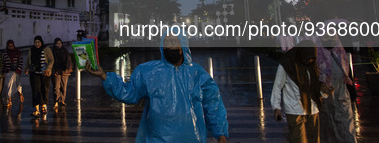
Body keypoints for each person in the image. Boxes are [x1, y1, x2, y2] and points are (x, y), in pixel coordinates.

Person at [85, 32, 229, 143]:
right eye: (166, 43)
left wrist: (220, 134)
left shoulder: (197, 74)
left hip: (191, 138)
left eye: (173, 43)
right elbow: (129, 94)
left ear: (182, 47)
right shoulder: (149, 72)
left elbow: (213, 105)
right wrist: (104, 75)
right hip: (158, 138)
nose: (168, 47)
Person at [271, 40, 327, 143]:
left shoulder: (312, 65)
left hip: (312, 109)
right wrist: (276, 107)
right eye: (308, 58)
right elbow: (277, 87)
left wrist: (324, 92)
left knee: (314, 139)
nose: (310, 60)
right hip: (294, 110)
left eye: (312, 59)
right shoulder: (286, 65)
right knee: (298, 139)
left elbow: (314, 87)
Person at [316, 34, 357, 142]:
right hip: (327, 102)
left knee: (344, 129)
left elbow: (347, 76)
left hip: (340, 100)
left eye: (332, 36)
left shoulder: (339, 55)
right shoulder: (320, 56)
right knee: (328, 130)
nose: (329, 39)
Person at [25, 35, 54, 117]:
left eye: (38, 42)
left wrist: (48, 68)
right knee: (35, 90)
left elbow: (51, 60)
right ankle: (37, 109)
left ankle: (44, 106)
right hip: (34, 73)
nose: (37, 44)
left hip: (45, 73)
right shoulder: (31, 50)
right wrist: (26, 68)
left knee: (45, 89)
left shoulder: (46, 49)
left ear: (41, 42)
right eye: (35, 42)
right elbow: (28, 60)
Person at [51, 38, 73, 111]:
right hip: (56, 71)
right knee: (56, 87)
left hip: (64, 71)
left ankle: (62, 100)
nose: (59, 45)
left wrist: (67, 68)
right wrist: (53, 71)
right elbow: (51, 62)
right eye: (57, 43)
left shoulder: (65, 51)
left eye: (60, 43)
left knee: (63, 86)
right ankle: (56, 101)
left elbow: (68, 60)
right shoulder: (52, 51)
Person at [1, 39, 24, 108]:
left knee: (17, 84)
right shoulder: (5, 54)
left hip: (16, 71)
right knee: (9, 86)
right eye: (9, 46)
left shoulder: (17, 53)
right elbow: (3, 63)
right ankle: (9, 100)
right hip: (8, 71)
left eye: (11, 46)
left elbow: (20, 61)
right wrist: (3, 71)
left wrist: (18, 69)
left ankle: (20, 94)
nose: (10, 47)